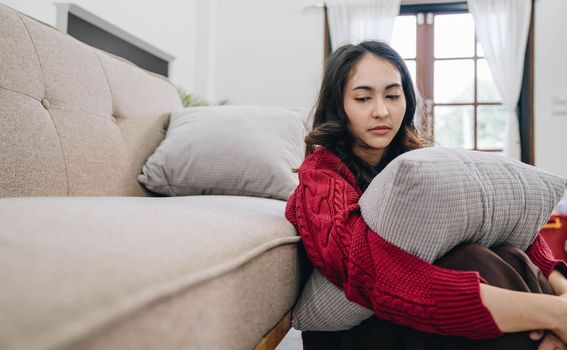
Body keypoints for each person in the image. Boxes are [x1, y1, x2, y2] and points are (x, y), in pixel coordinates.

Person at [285, 40, 567, 350]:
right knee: (469, 258)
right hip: (363, 332)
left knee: (504, 253)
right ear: (339, 106)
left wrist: (562, 294)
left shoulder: (419, 164)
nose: (381, 111)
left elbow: (509, 233)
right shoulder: (322, 177)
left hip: (433, 317)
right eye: (363, 98)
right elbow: (372, 273)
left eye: (393, 95)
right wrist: (550, 312)